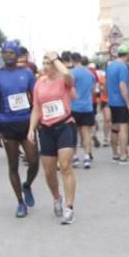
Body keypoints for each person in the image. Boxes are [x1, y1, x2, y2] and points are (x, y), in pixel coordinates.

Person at [0, 40, 39, 218]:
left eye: (11, 52)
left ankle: (27, 185)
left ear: (17, 55)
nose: (8, 55)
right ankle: (20, 202)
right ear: (2, 55)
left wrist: (36, 120)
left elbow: (36, 99)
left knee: (34, 161)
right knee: (13, 165)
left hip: (26, 122)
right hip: (7, 123)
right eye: (5, 52)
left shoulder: (27, 74)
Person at [28, 52, 77, 225]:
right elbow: (36, 108)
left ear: (56, 64)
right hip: (46, 129)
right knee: (49, 172)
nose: (46, 66)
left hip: (65, 126)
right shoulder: (39, 83)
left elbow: (69, 76)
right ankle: (57, 198)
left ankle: (69, 208)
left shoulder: (64, 80)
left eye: (50, 63)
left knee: (65, 166)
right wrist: (31, 129)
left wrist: (56, 58)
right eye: (44, 62)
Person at [105, 46, 129, 164]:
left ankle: (115, 153)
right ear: (126, 55)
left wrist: (109, 97)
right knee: (124, 129)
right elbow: (123, 85)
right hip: (121, 102)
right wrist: (128, 103)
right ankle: (123, 155)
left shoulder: (110, 66)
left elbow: (106, 84)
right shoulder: (123, 67)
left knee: (115, 127)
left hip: (113, 101)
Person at [69, 51, 96, 169]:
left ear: (72, 60)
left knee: (73, 133)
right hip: (87, 106)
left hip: (74, 107)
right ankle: (86, 157)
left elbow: (69, 90)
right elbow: (93, 90)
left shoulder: (71, 73)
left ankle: (74, 157)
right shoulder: (90, 74)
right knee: (86, 133)